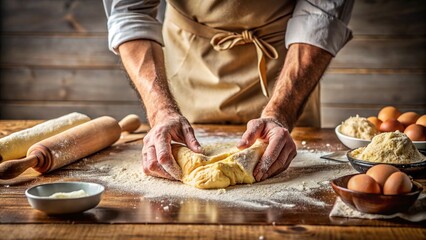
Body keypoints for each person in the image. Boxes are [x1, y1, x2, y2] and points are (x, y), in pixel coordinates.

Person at [103, 0, 354, 181]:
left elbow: (321, 13)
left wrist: (281, 113)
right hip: (189, 60)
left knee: (279, 154)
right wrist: (162, 113)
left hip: (284, 64)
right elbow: (130, 11)